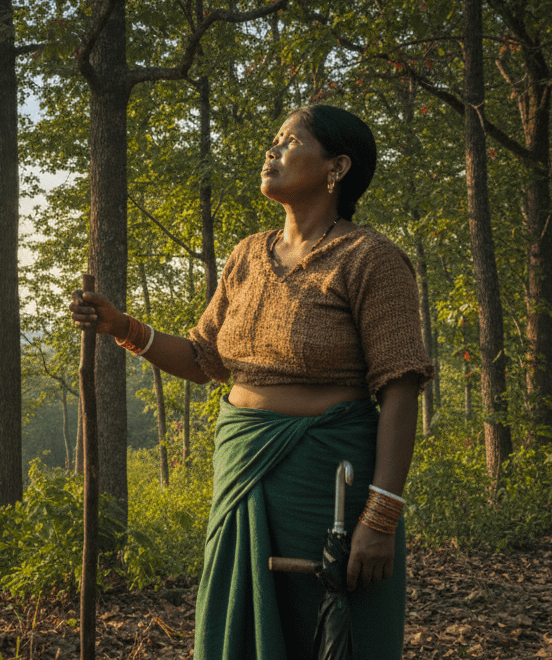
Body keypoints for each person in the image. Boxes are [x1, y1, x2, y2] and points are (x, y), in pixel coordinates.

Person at [70, 104, 433, 659]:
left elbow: (400, 389)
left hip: (328, 486)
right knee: (242, 623)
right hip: (243, 472)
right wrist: (123, 328)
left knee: (330, 632)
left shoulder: (371, 259)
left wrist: (381, 516)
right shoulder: (246, 255)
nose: (273, 150)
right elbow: (203, 359)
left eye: (291, 141)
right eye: (274, 139)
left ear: (336, 167)